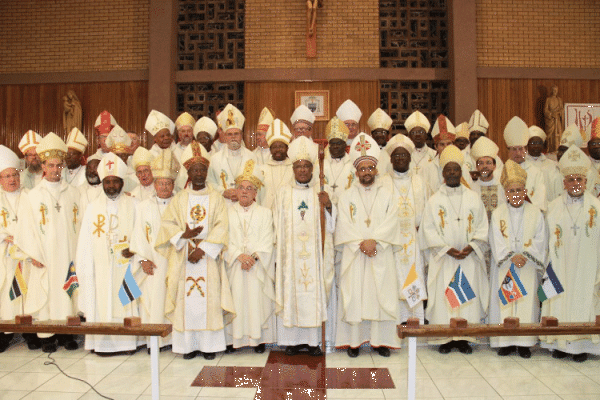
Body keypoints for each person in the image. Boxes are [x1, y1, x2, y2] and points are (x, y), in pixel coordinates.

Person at [155, 142, 234, 360]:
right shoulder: (179, 199)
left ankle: (209, 347)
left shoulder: (216, 198)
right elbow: (168, 224)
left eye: (202, 169)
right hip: (184, 257)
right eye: (194, 170)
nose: (199, 173)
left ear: (207, 172)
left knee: (209, 301)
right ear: (188, 172)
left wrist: (203, 249)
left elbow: (222, 226)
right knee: (186, 302)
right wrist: (184, 237)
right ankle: (187, 347)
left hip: (207, 259)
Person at [335, 133, 403, 357]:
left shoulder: (388, 194)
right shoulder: (345, 196)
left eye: (369, 168)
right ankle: (354, 343)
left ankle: (381, 341)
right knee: (355, 296)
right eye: (362, 169)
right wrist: (360, 244)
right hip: (356, 255)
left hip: (379, 253)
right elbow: (343, 223)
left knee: (380, 296)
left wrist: (376, 242)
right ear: (356, 172)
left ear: (376, 170)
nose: (366, 172)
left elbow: (392, 219)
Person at [418, 145, 489, 354]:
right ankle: (445, 337)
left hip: (467, 258)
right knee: (445, 298)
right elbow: (428, 230)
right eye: (447, 170)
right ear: (442, 173)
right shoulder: (434, 200)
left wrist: (472, 246)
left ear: (461, 172)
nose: (451, 173)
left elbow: (483, 226)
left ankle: (464, 338)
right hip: (445, 259)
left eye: (455, 169)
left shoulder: (473, 198)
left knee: (465, 298)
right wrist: (447, 249)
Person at [14, 133, 82, 352]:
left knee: (67, 291)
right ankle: (47, 336)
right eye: (50, 165)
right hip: (44, 256)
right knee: (47, 294)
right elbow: (25, 228)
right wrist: (33, 254)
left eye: (58, 165)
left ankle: (66, 334)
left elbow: (80, 225)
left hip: (68, 255)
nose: (55, 170)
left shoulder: (73, 193)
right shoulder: (31, 196)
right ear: (43, 166)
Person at [273, 136, 335, 357]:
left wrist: (328, 206)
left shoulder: (319, 194)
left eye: (306, 166)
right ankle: (291, 341)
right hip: (291, 255)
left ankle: (312, 341)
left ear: (312, 169)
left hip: (313, 255)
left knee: (312, 292)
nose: (302, 170)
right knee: (292, 292)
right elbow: (277, 225)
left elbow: (331, 225)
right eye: (298, 166)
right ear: (293, 169)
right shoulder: (283, 194)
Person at [541, 145, 600, 362]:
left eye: (579, 180)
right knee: (559, 299)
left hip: (587, 264)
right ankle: (558, 343)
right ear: (564, 183)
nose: (576, 184)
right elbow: (545, 239)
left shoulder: (597, 207)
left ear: (586, 182)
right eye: (571, 180)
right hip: (559, 264)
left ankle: (582, 345)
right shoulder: (552, 207)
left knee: (584, 301)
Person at [77, 153, 139, 355]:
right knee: (101, 302)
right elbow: (85, 243)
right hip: (100, 268)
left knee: (125, 300)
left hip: (126, 266)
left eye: (115, 181)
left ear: (122, 182)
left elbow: (140, 235)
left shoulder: (134, 205)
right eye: (107, 181)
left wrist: (134, 249)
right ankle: (101, 344)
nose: (111, 186)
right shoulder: (92, 208)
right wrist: (87, 268)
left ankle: (128, 343)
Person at [488, 160, 547, 358]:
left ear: (525, 191)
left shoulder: (535, 213)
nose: (515, 194)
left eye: (518, 190)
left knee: (526, 302)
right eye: (511, 191)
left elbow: (541, 237)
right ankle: (505, 341)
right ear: (506, 193)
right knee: (506, 302)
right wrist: (512, 256)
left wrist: (526, 255)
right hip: (506, 265)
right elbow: (495, 238)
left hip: (528, 266)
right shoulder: (498, 213)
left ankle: (524, 342)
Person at [130, 149, 180, 350]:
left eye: (168, 183)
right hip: (154, 264)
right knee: (154, 300)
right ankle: (156, 341)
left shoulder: (181, 203)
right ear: (155, 184)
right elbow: (138, 235)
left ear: (173, 185)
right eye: (161, 183)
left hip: (176, 263)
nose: (164, 187)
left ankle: (176, 340)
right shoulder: (143, 207)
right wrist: (143, 260)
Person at [224, 159, 275, 352]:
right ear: (235, 191)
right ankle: (234, 340)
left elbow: (267, 239)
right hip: (235, 265)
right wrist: (238, 255)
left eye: (249, 188)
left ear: (256, 192)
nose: (244, 191)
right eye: (241, 187)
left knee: (256, 301)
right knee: (236, 301)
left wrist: (253, 258)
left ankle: (257, 340)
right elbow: (224, 238)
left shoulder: (265, 213)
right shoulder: (226, 212)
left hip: (256, 266)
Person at [383, 134, 428, 323]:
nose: (400, 159)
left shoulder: (419, 181)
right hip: (392, 239)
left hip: (414, 238)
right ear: (391, 159)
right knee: (392, 277)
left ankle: (413, 316)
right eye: (397, 156)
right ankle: (395, 319)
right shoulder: (383, 182)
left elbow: (426, 210)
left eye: (404, 155)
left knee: (413, 273)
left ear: (410, 158)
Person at [0, 146, 32, 351]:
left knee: (28, 291)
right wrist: (5, 236)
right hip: (5, 255)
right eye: (6, 176)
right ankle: (5, 333)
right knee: (5, 294)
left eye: (14, 175)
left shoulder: (30, 195)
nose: (12, 179)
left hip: (27, 253)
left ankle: (30, 333)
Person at [208, 104, 256, 203]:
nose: (233, 137)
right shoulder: (215, 159)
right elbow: (210, 183)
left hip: (245, 205)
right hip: (223, 205)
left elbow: (257, 183)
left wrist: (242, 192)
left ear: (241, 135)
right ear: (225, 136)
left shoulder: (251, 157)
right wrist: (223, 192)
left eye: (236, 134)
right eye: (229, 134)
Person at [503, 117, 547, 212]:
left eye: (520, 149)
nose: (518, 153)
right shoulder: (501, 171)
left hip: (529, 217)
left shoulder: (536, 172)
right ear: (508, 151)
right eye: (514, 149)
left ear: (525, 150)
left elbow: (540, 199)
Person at [422, 115, 473, 195]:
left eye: (448, 144)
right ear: (436, 147)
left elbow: (469, 191)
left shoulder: (462, 166)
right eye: (442, 144)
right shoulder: (429, 168)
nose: (446, 148)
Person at [258, 119, 294, 210]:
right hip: (267, 213)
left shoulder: (294, 168)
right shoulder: (262, 169)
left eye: (281, 146)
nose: (278, 150)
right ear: (270, 149)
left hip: (288, 213)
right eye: (274, 147)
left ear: (287, 148)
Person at [470, 137, 506, 221]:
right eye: (481, 163)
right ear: (476, 167)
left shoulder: (502, 187)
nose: (485, 166)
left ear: (494, 166)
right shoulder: (472, 189)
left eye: (488, 163)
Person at [526, 126, 562, 203]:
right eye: (533, 143)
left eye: (539, 143)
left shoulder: (552, 165)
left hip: (549, 207)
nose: (536, 146)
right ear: (527, 145)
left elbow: (558, 188)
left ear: (543, 145)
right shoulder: (521, 165)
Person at [468, 110, 503, 176]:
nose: (475, 136)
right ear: (469, 136)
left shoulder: (493, 156)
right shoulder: (462, 155)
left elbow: (500, 174)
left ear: (484, 137)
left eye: (479, 134)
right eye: (473, 134)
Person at [405, 110, 436, 180]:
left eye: (421, 132)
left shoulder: (434, 155)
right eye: (414, 132)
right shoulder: (405, 154)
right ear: (409, 136)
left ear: (426, 136)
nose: (418, 135)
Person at [367, 108, 392, 174]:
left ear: (388, 134)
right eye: (376, 133)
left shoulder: (393, 150)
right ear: (372, 135)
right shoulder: (367, 151)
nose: (380, 135)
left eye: (383, 132)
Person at [544, 85, 564, 152]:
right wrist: (551, 114)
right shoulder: (548, 99)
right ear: (551, 91)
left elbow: (562, 109)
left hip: (557, 119)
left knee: (558, 134)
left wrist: (558, 113)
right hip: (551, 120)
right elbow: (545, 110)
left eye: (556, 90)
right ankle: (551, 149)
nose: (555, 91)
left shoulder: (559, 99)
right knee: (551, 135)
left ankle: (558, 149)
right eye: (553, 90)